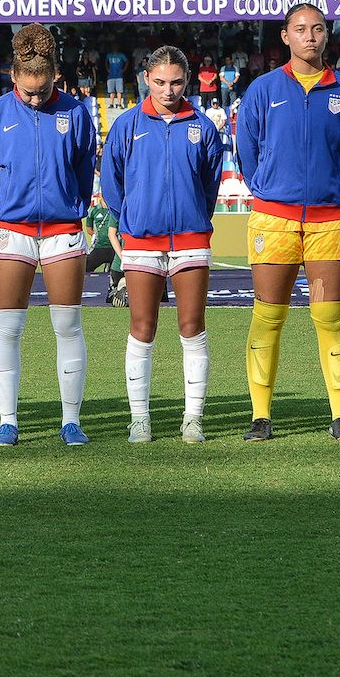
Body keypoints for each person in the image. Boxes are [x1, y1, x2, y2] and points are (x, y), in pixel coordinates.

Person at [236, 2, 340, 442]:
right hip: (273, 218)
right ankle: (260, 417)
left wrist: (330, 189)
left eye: (317, 28)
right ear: (285, 36)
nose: (309, 36)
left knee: (330, 316)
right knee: (267, 318)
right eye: (300, 29)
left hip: (331, 220)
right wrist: (272, 187)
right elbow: (247, 150)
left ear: (327, 35)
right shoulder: (262, 89)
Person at [0, 24, 97, 447]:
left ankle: (71, 421)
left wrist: (69, 209)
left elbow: (82, 173)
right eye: (28, 91)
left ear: (55, 76)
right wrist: (3, 211)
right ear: (14, 78)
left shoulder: (77, 113)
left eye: (43, 91)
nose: (35, 98)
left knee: (67, 324)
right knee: (8, 327)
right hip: (13, 230)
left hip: (62, 229)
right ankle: (8, 420)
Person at [102, 46, 225, 443]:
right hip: (141, 240)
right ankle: (140, 418)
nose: (167, 90)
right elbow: (112, 183)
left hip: (190, 238)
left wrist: (191, 216)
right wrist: (134, 217)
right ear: (145, 79)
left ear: (186, 81)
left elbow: (208, 186)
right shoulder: (126, 125)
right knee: (142, 328)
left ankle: (193, 418)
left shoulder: (203, 127)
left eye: (175, 82)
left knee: (192, 328)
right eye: (159, 82)